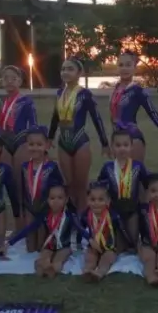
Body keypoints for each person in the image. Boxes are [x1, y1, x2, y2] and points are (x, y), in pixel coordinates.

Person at [48, 57, 109, 217]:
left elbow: (97, 118)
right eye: (63, 69)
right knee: (69, 184)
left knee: (81, 184)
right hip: (63, 140)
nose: (65, 72)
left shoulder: (85, 94)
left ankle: (84, 219)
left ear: (79, 73)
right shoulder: (60, 93)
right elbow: (55, 117)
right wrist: (49, 138)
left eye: (70, 69)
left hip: (80, 140)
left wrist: (104, 143)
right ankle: (72, 219)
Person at [109, 51, 158, 162]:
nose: (124, 68)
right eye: (121, 65)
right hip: (117, 138)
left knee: (134, 176)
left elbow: (152, 112)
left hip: (133, 137)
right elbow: (113, 116)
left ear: (134, 68)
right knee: (120, 177)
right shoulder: (116, 89)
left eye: (128, 65)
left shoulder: (137, 90)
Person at [0, 65, 37, 231]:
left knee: (22, 185)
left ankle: (27, 224)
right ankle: (17, 225)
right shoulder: (2, 101)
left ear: (20, 81)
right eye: (6, 78)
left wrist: (33, 145)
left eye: (13, 78)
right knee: (10, 186)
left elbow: (33, 125)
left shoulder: (26, 101)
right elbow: (1, 125)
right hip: (6, 144)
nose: (9, 81)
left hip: (21, 143)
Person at [96, 127, 148, 252]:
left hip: (133, 211)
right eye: (118, 145)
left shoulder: (138, 166)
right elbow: (99, 187)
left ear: (131, 147)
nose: (122, 148)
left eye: (126, 145)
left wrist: (145, 207)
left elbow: (147, 186)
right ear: (112, 147)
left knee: (133, 244)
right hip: (114, 212)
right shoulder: (107, 167)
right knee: (118, 247)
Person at [8, 183, 75, 277]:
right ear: (47, 200)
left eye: (60, 198)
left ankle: (52, 270)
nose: (56, 201)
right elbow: (29, 228)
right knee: (42, 258)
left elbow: (81, 230)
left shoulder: (69, 216)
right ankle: (43, 268)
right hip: (49, 246)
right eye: (52, 198)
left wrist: (90, 239)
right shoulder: (45, 215)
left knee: (58, 260)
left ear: (66, 199)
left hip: (64, 246)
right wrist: (10, 243)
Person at [20, 126, 65, 252]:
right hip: (29, 207)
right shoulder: (24, 167)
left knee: (42, 245)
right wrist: (23, 209)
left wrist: (57, 209)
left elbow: (60, 188)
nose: (35, 148)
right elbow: (24, 189)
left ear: (46, 145)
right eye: (31, 144)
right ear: (26, 145)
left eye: (39, 144)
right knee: (30, 246)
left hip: (45, 208)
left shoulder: (52, 166)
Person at [79, 180, 130, 283]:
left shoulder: (113, 215)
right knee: (90, 256)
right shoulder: (86, 215)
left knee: (107, 259)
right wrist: (88, 238)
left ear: (108, 201)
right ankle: (87, 270)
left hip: (110, 247)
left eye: (100, 199)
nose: (96, 203)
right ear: (87, 201)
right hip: (93, 245)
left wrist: (129, 244)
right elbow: (79, 228)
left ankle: (99, 273)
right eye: (92, 199)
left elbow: (122, 230)